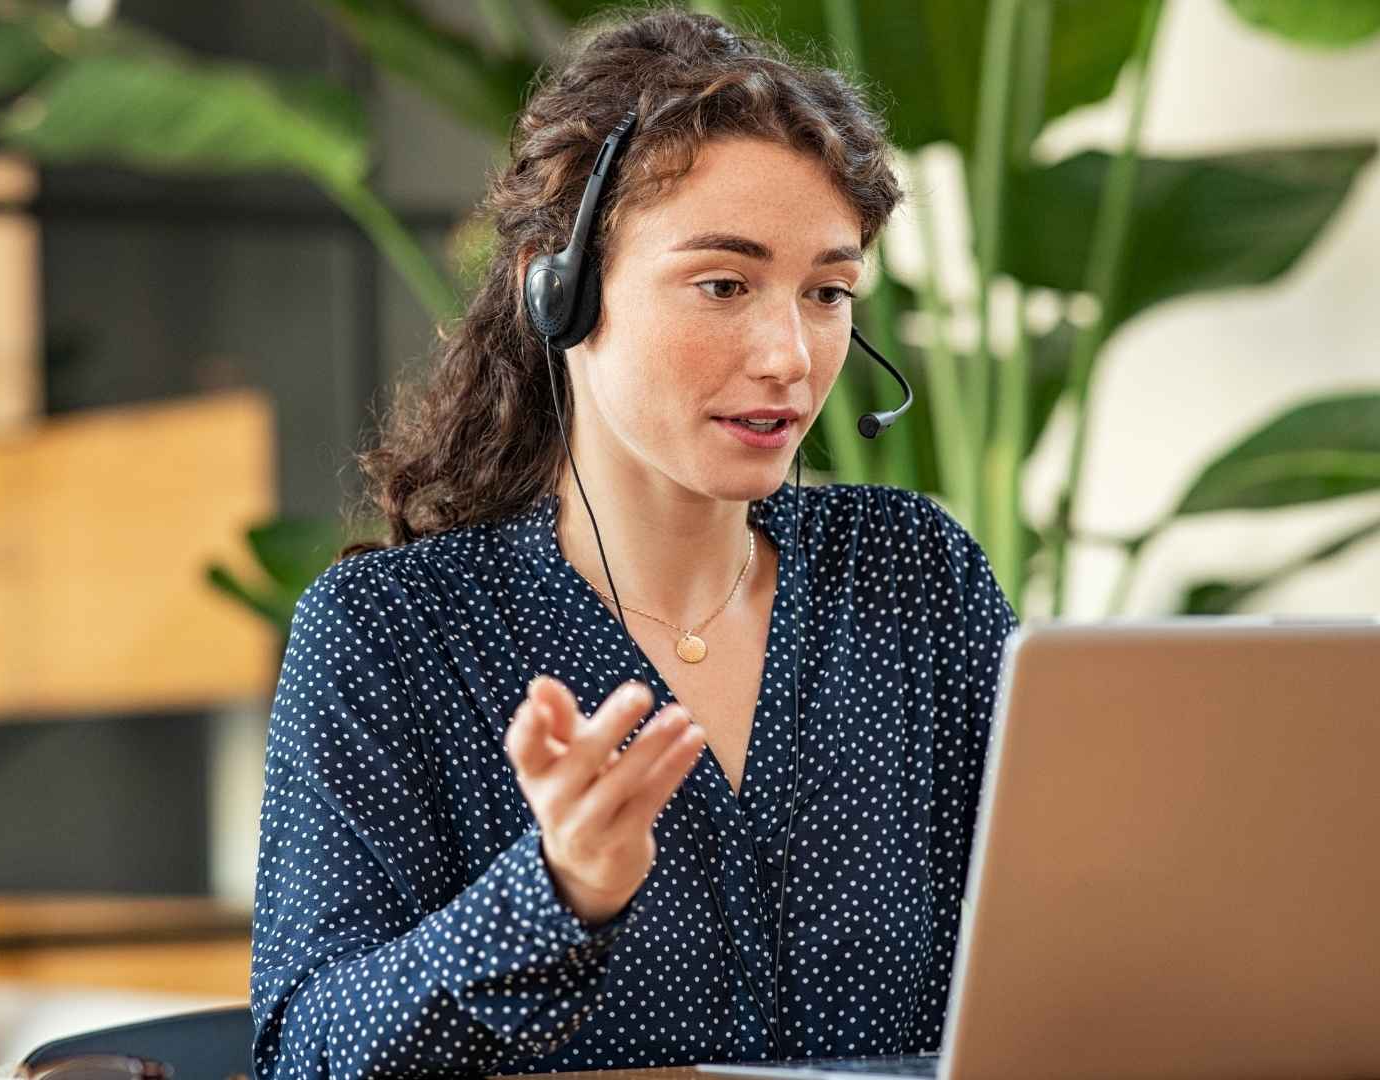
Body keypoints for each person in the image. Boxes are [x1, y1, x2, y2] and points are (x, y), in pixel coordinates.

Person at [248, 8, 1018, 1078]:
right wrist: (557, 892)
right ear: (559, 290)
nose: (791, 357)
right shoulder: (395, 633)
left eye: (828, 293)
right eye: (724, 284)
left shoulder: (911, 575)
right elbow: (306, 1052)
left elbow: (1066, 935)